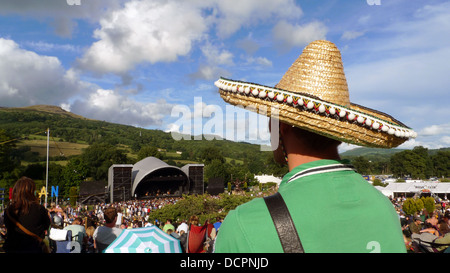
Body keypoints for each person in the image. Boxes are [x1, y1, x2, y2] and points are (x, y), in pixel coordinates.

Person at [213, 40, 413, 253]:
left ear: (282, 127)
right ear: (340, 134)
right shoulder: (385, 209)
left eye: (270, 118)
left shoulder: (243, 225)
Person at [3, 177, 51, 253]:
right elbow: (46, 225)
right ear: (31, 192)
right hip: (33, 248)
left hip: (13, 248)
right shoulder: (39, 209)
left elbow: (7, 226)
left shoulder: (9, 210)